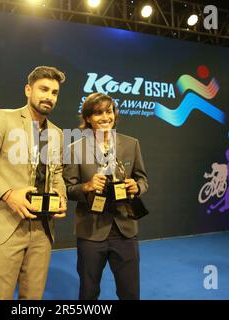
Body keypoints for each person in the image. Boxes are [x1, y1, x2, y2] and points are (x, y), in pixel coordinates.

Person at [0, 66, 67, 300]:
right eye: (44, 89)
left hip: (42, 229)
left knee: (33, 297)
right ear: (28, 89)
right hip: (7, 224)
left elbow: (58, 172)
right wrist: (9, 194)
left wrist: (60, 196)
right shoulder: (4, 118)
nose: (49, 97)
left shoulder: (57, 133)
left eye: (54, 92)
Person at [63, 93, 149, 300]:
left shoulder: (131, 144)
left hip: (125, 230)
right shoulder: (75, 148)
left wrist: (136, 187)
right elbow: (67, 188)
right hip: (91, 232)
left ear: (114, 114)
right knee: (89, 292)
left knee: (130, 293)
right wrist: (87, 187)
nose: (105, 117)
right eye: (98, 113)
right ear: (87, 118)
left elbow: (143, 180)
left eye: (108, 111)